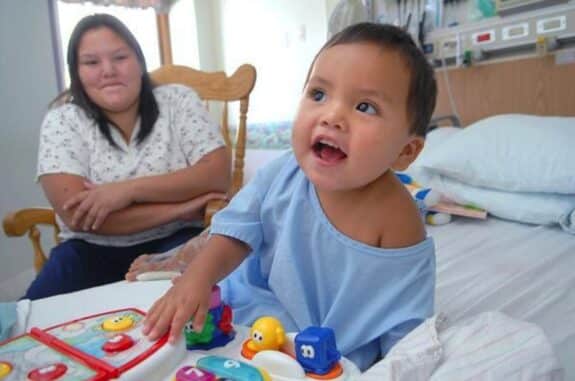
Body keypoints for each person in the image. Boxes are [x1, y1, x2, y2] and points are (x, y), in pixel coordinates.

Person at [143, 22, 437, 372]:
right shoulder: (282, 174)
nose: (332, 116)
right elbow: (236, 232)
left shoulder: (397, 218)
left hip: (327, 351)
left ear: (405, 151)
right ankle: (179, 261)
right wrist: (197, 278)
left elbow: (404, 320)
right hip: (249, 309)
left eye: (365, 107)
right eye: (318, 95)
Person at [26, 14, 229, 300]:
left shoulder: (178, 101)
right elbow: (79, 216)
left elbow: (216, 174)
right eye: (91, 62)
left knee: (192, 317)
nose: (108, 71)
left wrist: (125, 192)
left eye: (120, 57)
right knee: (25, 330)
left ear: (140, 62)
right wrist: (181, 208)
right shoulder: (63, 120)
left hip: (177, 242)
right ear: (77, 72)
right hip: (88, 251)